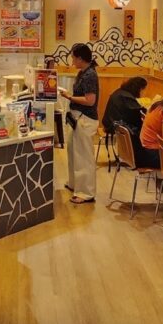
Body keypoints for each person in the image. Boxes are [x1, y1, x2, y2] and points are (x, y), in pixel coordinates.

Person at [59, 44, 99, 204]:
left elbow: (90, 101)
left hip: (85, 119)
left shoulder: (90, 75)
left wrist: (69, 97)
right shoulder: (83, 72)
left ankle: (86, 193)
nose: (72, 60)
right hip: (77, 118)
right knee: (73, 152)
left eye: (73, 57)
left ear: (81, 58)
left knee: (83, 157)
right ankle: (75, 183)